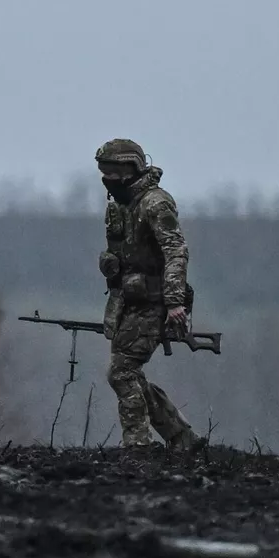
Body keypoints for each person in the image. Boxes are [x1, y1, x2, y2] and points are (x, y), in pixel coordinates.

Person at [94, 138, 206, 451]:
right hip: (130, 301)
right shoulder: (121, 206)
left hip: (155, 302)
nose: (107, 180)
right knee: (128, 372)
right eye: (104, 173)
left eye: (112, 174)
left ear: (130, 169)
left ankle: (138, 447)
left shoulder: (156, 203)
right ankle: (183, 440)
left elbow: (176, 252)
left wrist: (174, 305)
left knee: (122, 372)